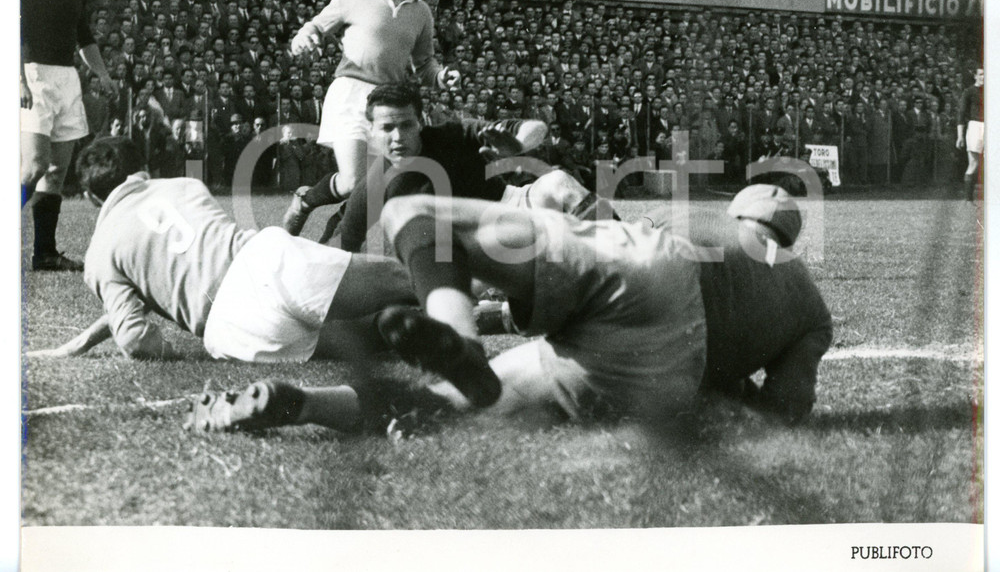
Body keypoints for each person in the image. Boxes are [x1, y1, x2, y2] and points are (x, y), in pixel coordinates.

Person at [189, 184, 832, 432]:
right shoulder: (809, 306)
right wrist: (724, 379)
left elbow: (597, 234)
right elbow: (786, 408)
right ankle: (301, 403)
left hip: (647, 268)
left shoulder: (698, 216)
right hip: (664, 369)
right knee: (455, 404)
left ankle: (459, 333)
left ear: (740, 212)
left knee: (415, 215)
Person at [28, 137, 417, 364]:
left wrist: (178, 356)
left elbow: (135, 333)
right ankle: (470, 299)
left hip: (232, 330)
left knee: (379, 335)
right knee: (406, 280)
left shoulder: (98, 257)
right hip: (262, 263)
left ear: (92, 198)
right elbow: (192, 257)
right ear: (140, 172)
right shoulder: (182, 186)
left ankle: (436, 317)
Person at [283, 0, 459, 231]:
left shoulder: (422, 12)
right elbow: (315, 27)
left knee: (377, 190)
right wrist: (303, 38)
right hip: (350, 91)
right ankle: (307, 201)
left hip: (389, 103)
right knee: (353, 182)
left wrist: (443, 77)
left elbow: (425, 65)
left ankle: (332, 240)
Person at [312, 83, 602, 250]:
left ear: (421, 122)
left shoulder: (451, 133)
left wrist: (515, 146)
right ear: (371, 130)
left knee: (559, 182)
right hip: (466, 251)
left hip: (508, 208)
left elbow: (535, 127)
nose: (398, 137)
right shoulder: (374, 185)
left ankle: (630, 257)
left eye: (406, 125)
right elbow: (341, 248)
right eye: (387, 128)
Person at [21, 0, 114, 271]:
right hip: (31, 74)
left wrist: (101, 73)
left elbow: (84, 37)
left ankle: (44, 253)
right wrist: (18, 80)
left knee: (56, 172)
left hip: (66, 78)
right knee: (33, 166)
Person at [956, 67, 984, 201]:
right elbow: (961, 115)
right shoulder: (969, 92)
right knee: (973, 163)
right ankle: (968, 199)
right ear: (975, 76)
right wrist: (960, 136)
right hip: (975, 127)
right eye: (981, 74)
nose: (984, 77)